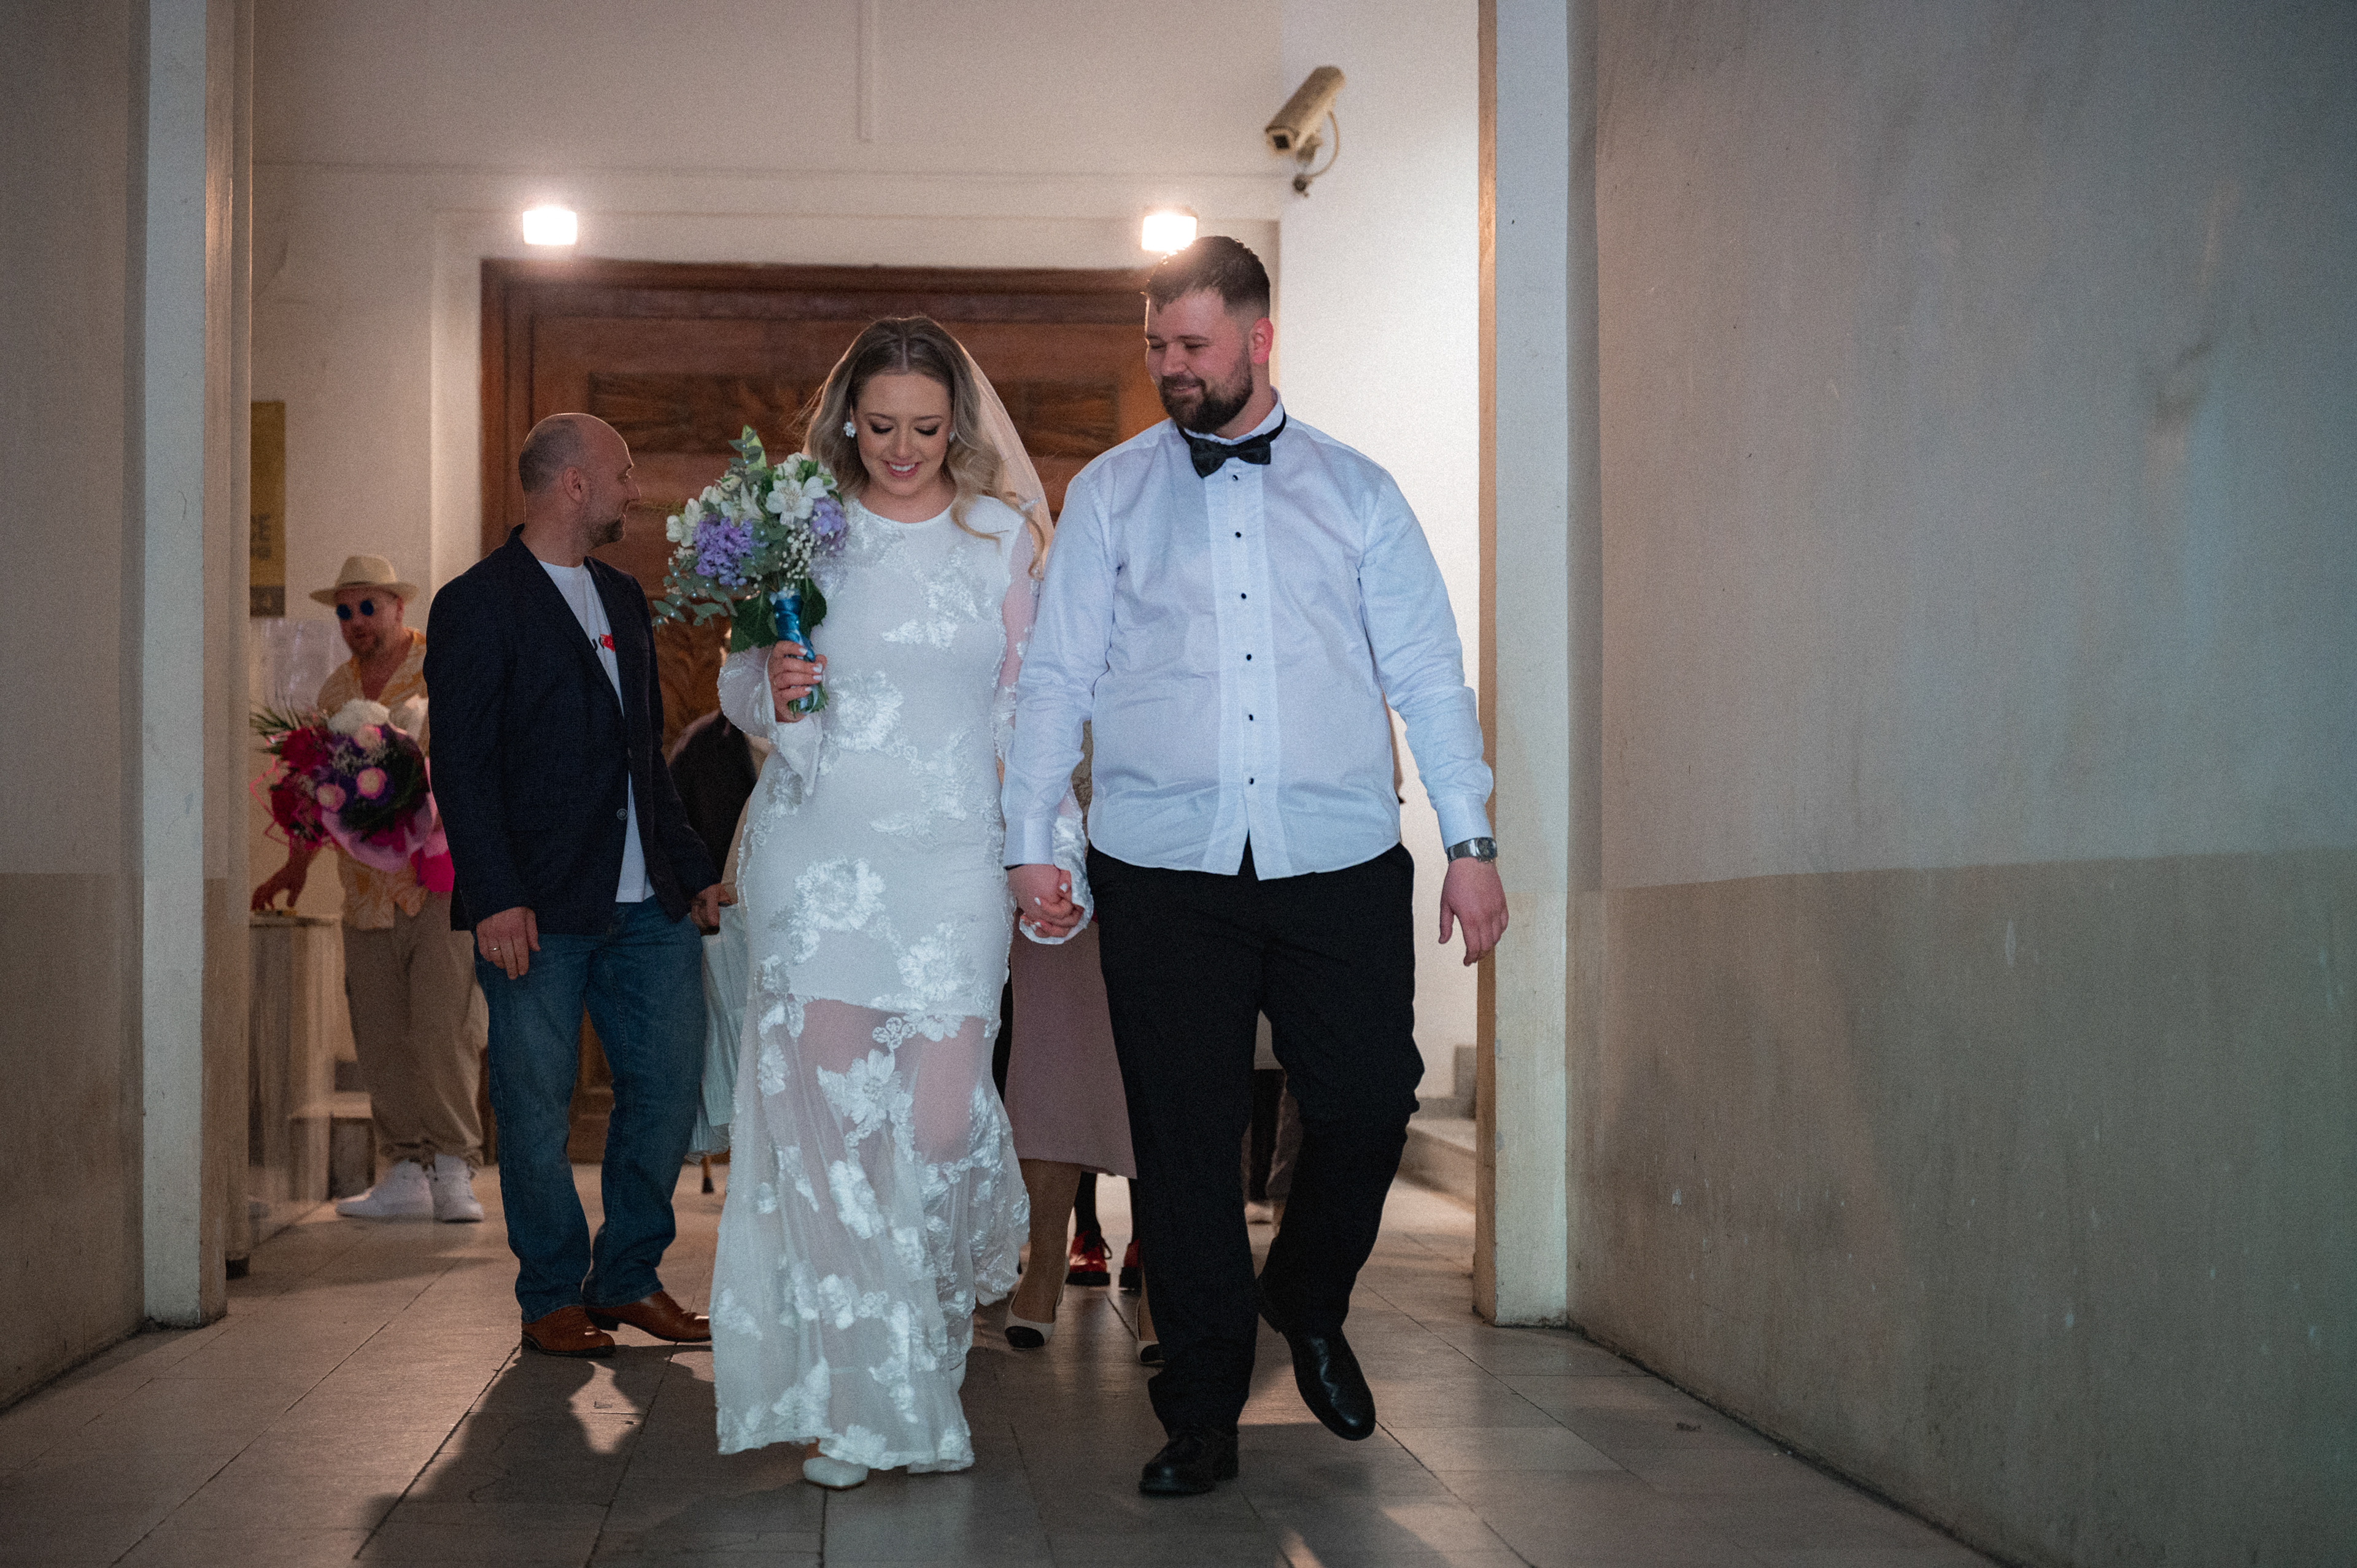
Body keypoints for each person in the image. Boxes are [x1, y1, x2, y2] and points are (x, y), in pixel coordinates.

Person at [1002, 236, 1510, 1496]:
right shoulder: (1109, 495)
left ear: (1259, 338)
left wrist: (1470, 841)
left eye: (1195, 345)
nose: (1172, 368)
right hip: (1162, 864)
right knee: (1186, 1145)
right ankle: (1202, 1410)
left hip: (1336, 853)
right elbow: (1056, 676)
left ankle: (1309, 1292)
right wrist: (1030, 841)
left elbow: (1428, 675)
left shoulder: (1359, 491)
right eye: (1156, 348)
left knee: (1369, 1101)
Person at [710, 315, 1084, 1492]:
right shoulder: (802, 536)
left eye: (925, 427)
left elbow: (1032, 709)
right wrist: (772, 687)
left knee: (935, 1124)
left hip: (953, 866)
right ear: (848, 421)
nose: (904, 448)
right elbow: (741, 689)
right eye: (881, 427)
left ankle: (911, 1359)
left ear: (958, 424)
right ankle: (869, 1409)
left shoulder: (1001, 540)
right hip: (819, 859)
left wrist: (1047, 850)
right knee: (832, 1136)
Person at [425, 413, 726, 1360]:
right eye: (623, 473)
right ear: (573, 483)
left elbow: (646, 754)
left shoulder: (624, 596)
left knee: (668, 1084)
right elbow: (461, 765)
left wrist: (691, 868)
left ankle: (628, 1274)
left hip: (648, 904)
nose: (635, 489)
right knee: (534, 1102)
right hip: (537, 908)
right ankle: (552, 1291)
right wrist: (495, 892)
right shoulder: (477, 602)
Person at [252, 554, 486, 1224]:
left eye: (367, 607)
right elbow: (319, 792)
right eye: (345, 611)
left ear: (397, 607)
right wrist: (295, 865)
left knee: (444, 1027)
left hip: (435, 882)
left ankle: (453, 1165)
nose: (356, 621)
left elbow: (473, 760)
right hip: (362, 893)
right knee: (380, 1033)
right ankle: (406, 1168)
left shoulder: (444, 665)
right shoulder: (334, 692)